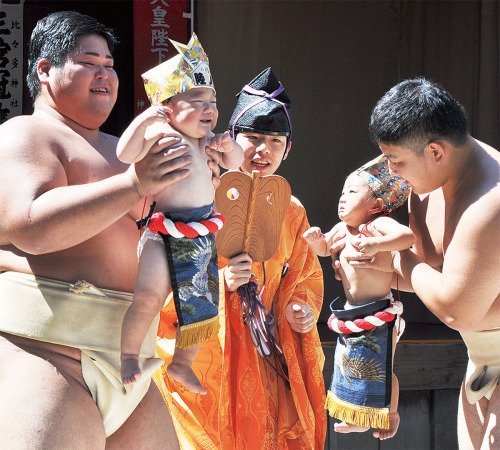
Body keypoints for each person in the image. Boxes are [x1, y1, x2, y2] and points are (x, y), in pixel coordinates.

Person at [0, 11, 222, 448]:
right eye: (90, 61)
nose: (105, 73)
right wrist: (134, 183)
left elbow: (172, 232)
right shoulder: (26, 134)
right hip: (48, 353)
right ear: (44, 70)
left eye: (110, 65)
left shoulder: (130, 150)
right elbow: (30, 227)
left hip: (131, 364)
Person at [152, 67, 327, 449]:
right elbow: (155, 280)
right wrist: (219, 285)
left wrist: (299, 309)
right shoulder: (196, 197)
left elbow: (303, 277)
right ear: (230, 138)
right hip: (207, 351)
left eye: (275, 141)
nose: (263, 150)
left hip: (265, 348)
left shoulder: (292, 211)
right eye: (253, 138)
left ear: (289, 148)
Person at [338, 77, 500, 448]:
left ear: (435, 152)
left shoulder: (490, 203)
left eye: (396, 161)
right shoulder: (424, 189)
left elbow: (458, 309)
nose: (392, 172)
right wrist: (370, 261)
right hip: (479, 363)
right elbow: (430, 279)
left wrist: (395, 255)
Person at [117, 34, 243, 393]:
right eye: (197, 100)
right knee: (148, 297)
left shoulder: (209, 141)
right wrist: (144, 120)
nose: (209, 108)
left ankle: (182, 364)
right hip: (163, 230)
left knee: (202, 308)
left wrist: (228, 146)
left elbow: (235, 165)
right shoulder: (159, 133)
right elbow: (126, 155)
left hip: (202, 231)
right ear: (167, 108)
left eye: (213, 101)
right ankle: (128, 354)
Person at [304, 155, 414, 439]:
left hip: (380, 311)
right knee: (347, 363)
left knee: (381, 367)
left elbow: (406, 237)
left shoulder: (380, 225)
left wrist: (377, 244)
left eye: (352, 192)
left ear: (375, 206)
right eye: (343, 191)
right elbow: (325, 250)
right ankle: (358, 414)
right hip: (351, 311)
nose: (342, 198)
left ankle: (389, 413)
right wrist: (317, 241)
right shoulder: (341, 229)